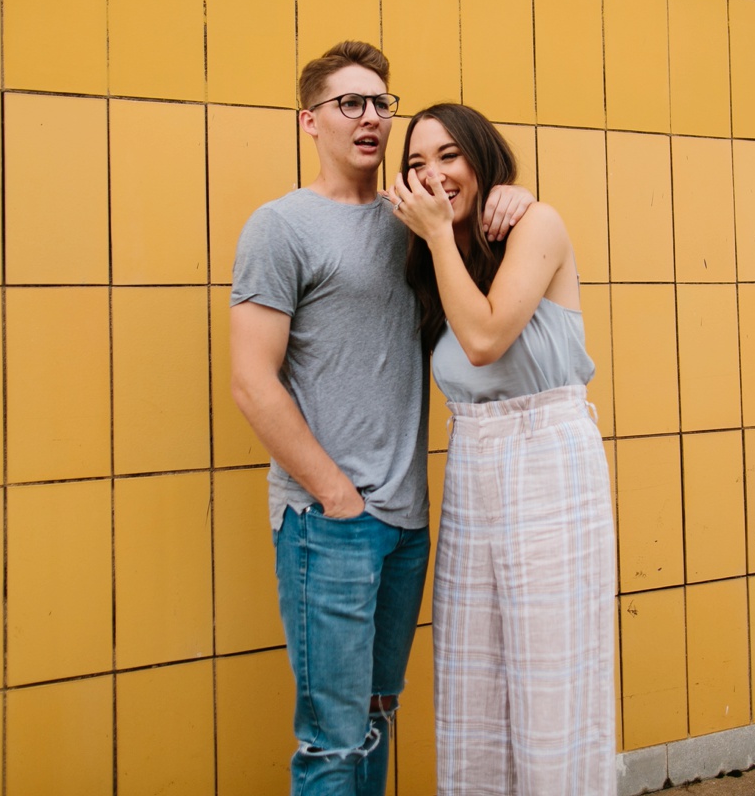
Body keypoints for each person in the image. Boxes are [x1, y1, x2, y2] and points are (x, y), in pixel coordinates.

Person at [228, 43, 532, 796]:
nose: (370, 118)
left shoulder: (419, 221)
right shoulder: (281, 226)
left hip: (406, 523)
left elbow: (489, 302)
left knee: (374, 716)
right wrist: (335, 494)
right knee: (332, 742)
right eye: (349, 104)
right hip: (328, 519)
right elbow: (251, 381)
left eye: (380, 103)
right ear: (309, 121)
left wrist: (514, 201)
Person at [386, 103, 616, 795]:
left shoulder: (535, 225)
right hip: (476, 470)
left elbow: (485, 343)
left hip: (549, 461)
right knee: (475, 675)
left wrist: (441, 235)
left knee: (552, 676)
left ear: (483, 157)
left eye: (449, 155)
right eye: (416, 164)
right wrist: (436, 237)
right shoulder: (434, 257)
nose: (433, 174)